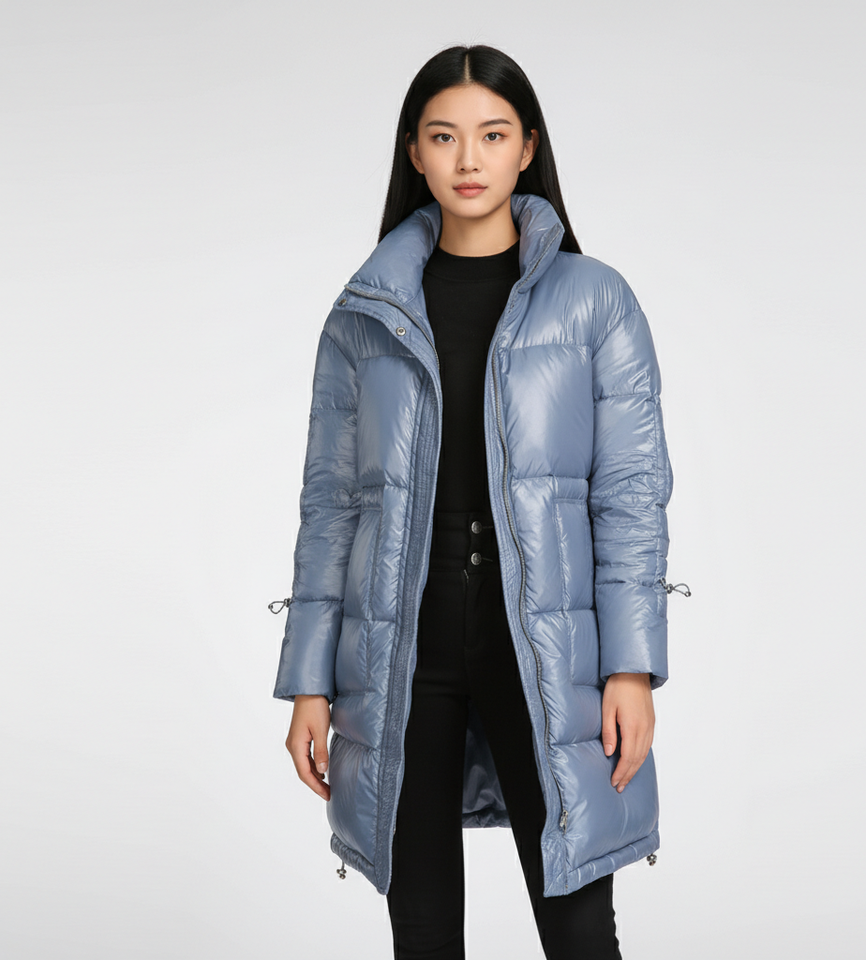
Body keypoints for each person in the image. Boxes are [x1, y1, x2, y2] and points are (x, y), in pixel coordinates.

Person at [270, 43, 689, 960]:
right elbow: (330, 503)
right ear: (413, 152)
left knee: (578, 922)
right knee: (421, 929)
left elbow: (630, 496)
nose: (469, 159)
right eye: (444, 136)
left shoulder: (595, 301)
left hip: (545, 636)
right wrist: (308, 679)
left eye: (493, 135)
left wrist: (631, 667)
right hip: (402, 639)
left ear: (527, 147)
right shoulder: (365, 314)